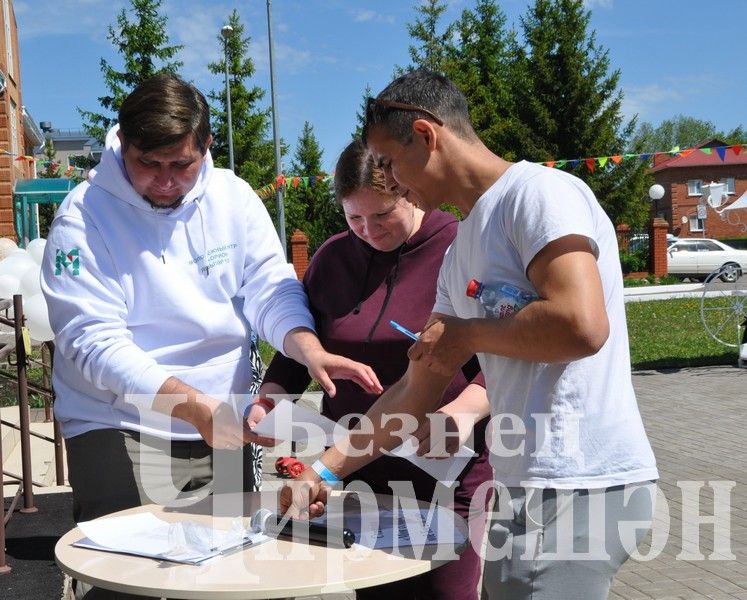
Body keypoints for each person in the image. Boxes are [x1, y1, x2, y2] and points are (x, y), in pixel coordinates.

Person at [280, 69, 659, 600]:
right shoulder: (462, 253)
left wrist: (464, 335)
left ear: (427, 136)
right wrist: (326, 468)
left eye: (389, 163)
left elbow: (582, 324)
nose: (388, 181)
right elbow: (415, 389)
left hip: (581, 484)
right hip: (523, 489)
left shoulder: (538, 194)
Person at [40, 73, 381, 599]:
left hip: (223, 416)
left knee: (226, 572)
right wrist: (192, 404)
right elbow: (93, 343)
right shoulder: (82, 218)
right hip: (119, 419)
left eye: (180, 164)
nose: (165, 181)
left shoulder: (233, 199)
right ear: (122, 145)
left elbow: (270, 288)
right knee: (128, 579)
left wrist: (304, 344)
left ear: (206, 146)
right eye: (146, 164)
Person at [247, 138, 493, 600]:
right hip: (358, 468)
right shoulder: (332, 258)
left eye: (382, 215)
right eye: (353, 217)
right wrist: (271, 396)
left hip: (446, 469)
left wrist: (464, 410)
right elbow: (302, 348)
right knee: (374, 589)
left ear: (412, 192)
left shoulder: (462, 249)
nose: (369, 231)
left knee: (446, 592)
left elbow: (504, 358)